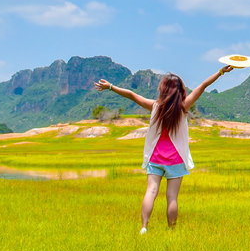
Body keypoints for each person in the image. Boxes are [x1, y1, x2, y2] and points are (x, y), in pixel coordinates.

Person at [94, 65, 232, 232]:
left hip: (155, 157)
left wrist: (110, 87)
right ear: (180, 90)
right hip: (176, 159)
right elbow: (202, 86)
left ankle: (144, 227)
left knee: (151, 191)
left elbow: (131, 95)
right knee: (172, 197)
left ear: (163, 90)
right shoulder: (183, 107)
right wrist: (220, 72)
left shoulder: (155, 106)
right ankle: (171, 230)